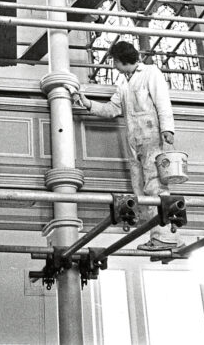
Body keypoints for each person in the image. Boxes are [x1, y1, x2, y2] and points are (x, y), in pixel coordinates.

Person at [75, 41, 181, 251]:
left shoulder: (150, 73)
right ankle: (155, 235)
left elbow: (162, 101)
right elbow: (113, 108)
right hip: (134, 142)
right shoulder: (123, 83)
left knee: (156, 186)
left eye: (115, 60)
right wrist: (87, 103)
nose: (113, 65)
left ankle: (167, 237)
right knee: (140, 189)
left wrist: (167, 129)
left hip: (152, 138)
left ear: (123, 59)